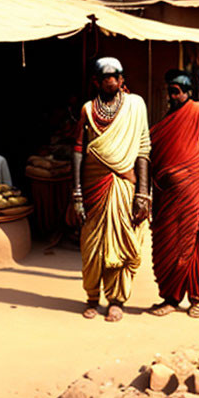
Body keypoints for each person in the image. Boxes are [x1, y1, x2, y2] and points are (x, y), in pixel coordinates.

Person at [71, 57, 151, 322]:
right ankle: (92, 297)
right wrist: (77, 192)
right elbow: (79, 150)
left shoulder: (135, 105)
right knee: (92, 245)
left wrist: (143, 192)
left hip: (124, 186)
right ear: (96, 81)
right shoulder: (87, 110)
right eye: (105, 78)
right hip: (94, 187)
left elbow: (142, 149)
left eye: (115, 77)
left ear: (122, 79)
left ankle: (117, 300)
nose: (111, 81)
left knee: (122, 242)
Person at [148, 70, 199, 318]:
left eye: (177, 91)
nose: (172, 95)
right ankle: (170, 297)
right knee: (165, 242)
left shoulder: (198, 110)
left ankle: (197, 297)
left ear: (188, 92)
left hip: (191, 187)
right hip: (165, 193)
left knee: (193, 241)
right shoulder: (167, 118)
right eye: (170, 91)